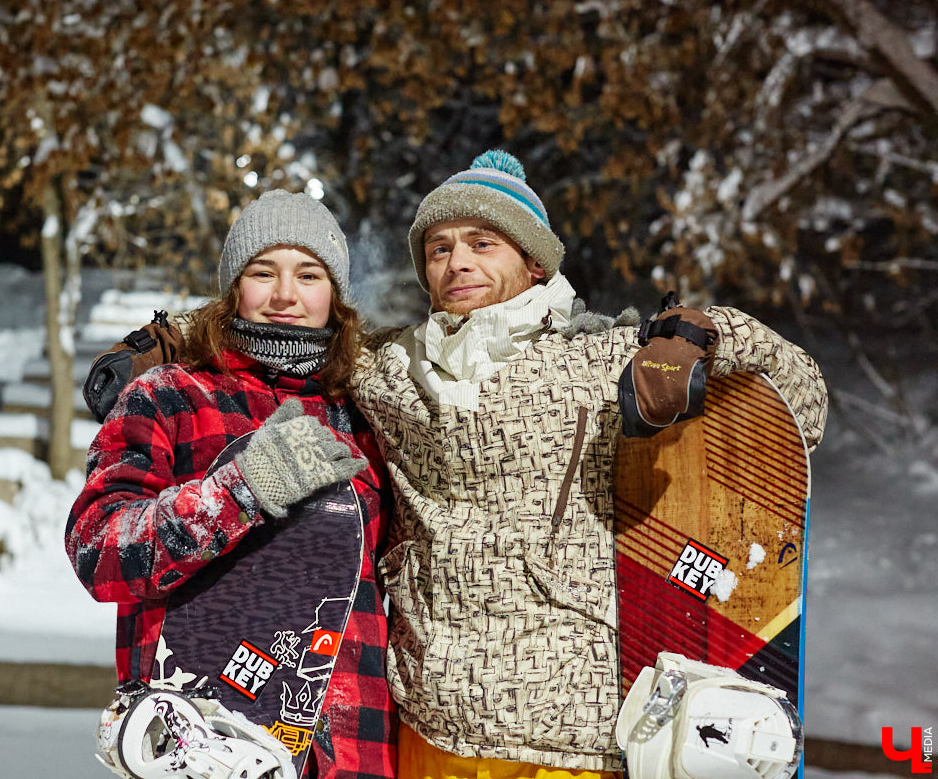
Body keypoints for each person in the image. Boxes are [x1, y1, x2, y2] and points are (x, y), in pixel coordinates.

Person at [347, 151, 829, 778]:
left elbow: (803, 402)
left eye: (482, 243)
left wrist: (704, 335)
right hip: (430, 719)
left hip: (570, 727)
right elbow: (287, 342)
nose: (457, 261)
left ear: (534, 261)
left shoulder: (602, 358)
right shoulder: (389, 370)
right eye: (439, 249)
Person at [66, 189, 396, 779]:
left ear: (335, 296)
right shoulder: (171, 396)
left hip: (349, 752)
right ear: (233, 288)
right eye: (263, 272)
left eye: (309, 275)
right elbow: (99, 549)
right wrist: (242, 489)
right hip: (200, 747)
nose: (286, 295)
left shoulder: (367, 413)